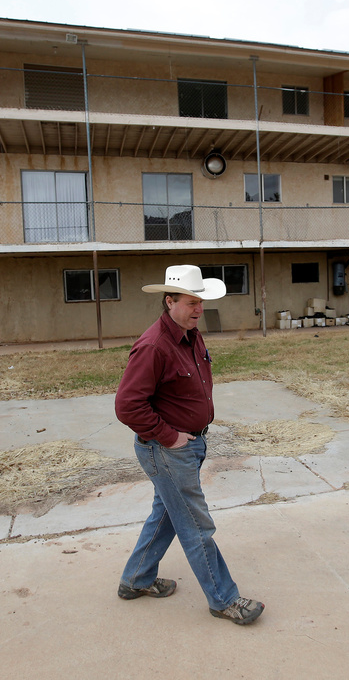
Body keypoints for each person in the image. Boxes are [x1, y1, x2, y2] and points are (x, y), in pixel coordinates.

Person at [115, 264, 265, 625]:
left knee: (167, 514)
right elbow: (127, 405)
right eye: (190, 301)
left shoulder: (191, 334)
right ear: (169, 302)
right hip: (168, 450)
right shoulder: (153, 346)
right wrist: (169, 436)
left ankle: (136, 580)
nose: (198, 308)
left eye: (201, 301)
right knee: (196, 525)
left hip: (190, 445)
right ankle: (223, 599)